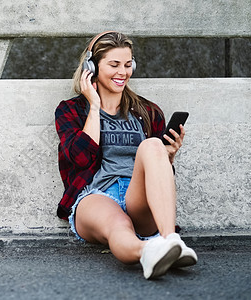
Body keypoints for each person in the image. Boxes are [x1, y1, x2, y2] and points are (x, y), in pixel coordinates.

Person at [54, 31, 197, 279]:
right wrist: (95, 105)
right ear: (92, 67)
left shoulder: (148, 111)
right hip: (97, 196)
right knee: (118, 226)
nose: (123, 72)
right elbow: (79, 160)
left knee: (153, 145)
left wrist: (168, 157)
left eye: (128, 65)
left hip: (137, 196)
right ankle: (148, 251)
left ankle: (170, 240)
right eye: (114, 64)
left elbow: (158, 177)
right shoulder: (71, 110)